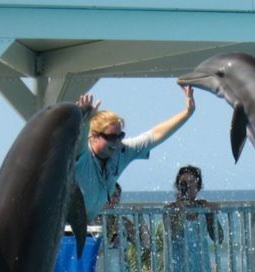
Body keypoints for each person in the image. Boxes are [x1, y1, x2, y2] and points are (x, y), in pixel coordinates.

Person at [75, 86, 195, 224]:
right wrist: (83, 122)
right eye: (111, 137)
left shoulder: (122, 151)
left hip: (83, 226)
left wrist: (187, 113)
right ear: (94, 136)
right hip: (59, 226)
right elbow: (79, 139)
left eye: (120, 136)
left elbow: (154, 135)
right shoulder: (82, 154)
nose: (117, 142)